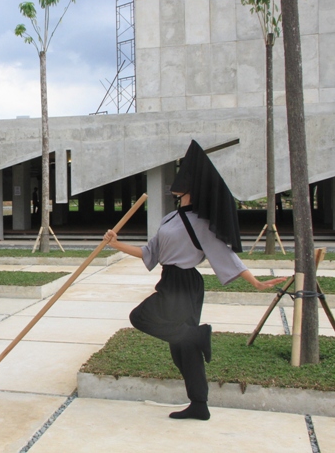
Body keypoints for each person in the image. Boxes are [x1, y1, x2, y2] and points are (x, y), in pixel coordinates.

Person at [103, 141, 286, 421]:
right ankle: (199, 404)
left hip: (186, 283)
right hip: (169, 279)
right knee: (182, 350)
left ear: (192, 187)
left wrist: (256, 282)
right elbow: (149, 253)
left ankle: (198, 337)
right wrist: (116, 244)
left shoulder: (201, 222)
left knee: (140, 317)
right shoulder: (170, 218)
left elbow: (224, 255)